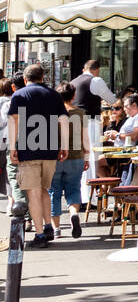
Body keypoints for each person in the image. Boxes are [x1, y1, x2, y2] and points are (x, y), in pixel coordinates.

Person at [7, 63, 69, 247]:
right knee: (44, 189)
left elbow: (14, 120)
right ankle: (49, 226)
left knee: (33, 193)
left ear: (25, 79)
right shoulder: (54, 95)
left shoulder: (19, 95)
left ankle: (40, 234)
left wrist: (12, 148)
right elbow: (64, 120)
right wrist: (64, 146)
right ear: (43, 78)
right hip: (50, 149)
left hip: (28, 149)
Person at [70, 59, 114, 197]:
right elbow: (111, 99)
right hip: (89, 122)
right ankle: (88, 196)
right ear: (97, 70)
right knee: (91, 157)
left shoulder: (73, 81)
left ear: (84, 69)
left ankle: (79, 194)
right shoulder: (95, 80)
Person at [50, 87, 88, 239]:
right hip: (76, 157)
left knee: (54, 192)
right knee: (73, 190)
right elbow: (86, 138)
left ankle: (56, 229)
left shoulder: (53, 113)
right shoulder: (80, 114)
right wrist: (86, 157)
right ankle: (73, 214)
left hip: (56, 157)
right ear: (74, 96)